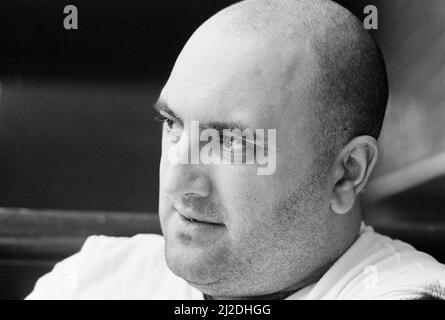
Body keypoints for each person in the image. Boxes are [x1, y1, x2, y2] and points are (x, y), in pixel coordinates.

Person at [27, 0, 445, 299]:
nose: (178, 183)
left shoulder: (402, 290)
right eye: (172, 124)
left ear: (346, 173)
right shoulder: (95, 276)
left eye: (230, 141)